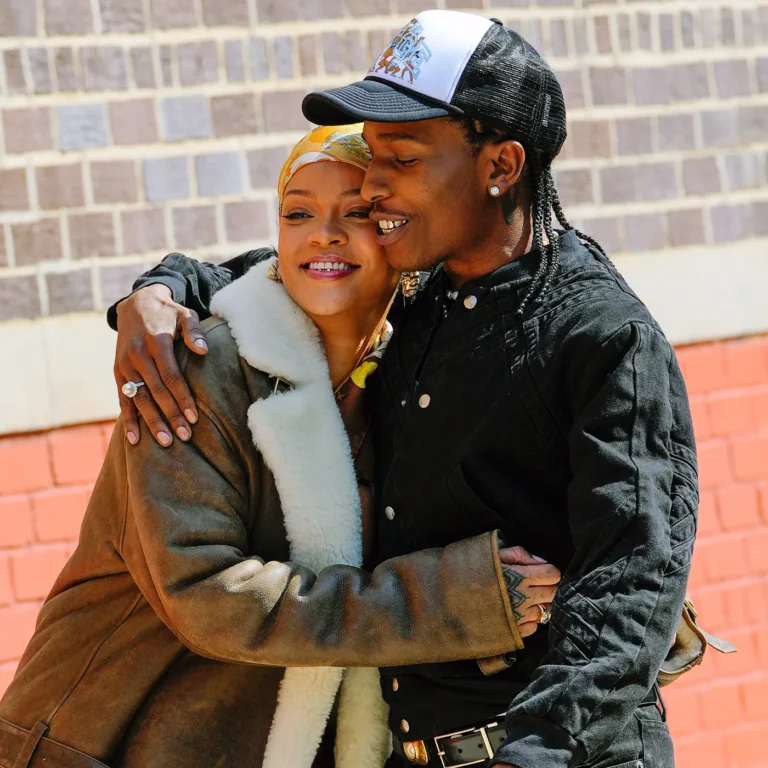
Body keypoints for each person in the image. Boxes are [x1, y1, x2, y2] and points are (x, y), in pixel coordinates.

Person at [106, 11, 698, 768]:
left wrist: (538, 753)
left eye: (404, 160)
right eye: (373, 157)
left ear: (501, 164)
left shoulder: (601, 336)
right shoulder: (418, 293)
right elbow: (296, 263)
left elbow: (630, 588)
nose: (374, 185)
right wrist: (157, 290)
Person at [0, 125, 563, 768]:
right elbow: (210, 597)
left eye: (356, 212)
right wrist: (450, 601)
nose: (322, 232)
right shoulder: (198, 372)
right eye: (297, 213)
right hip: (98, 742)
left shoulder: (412, 382)